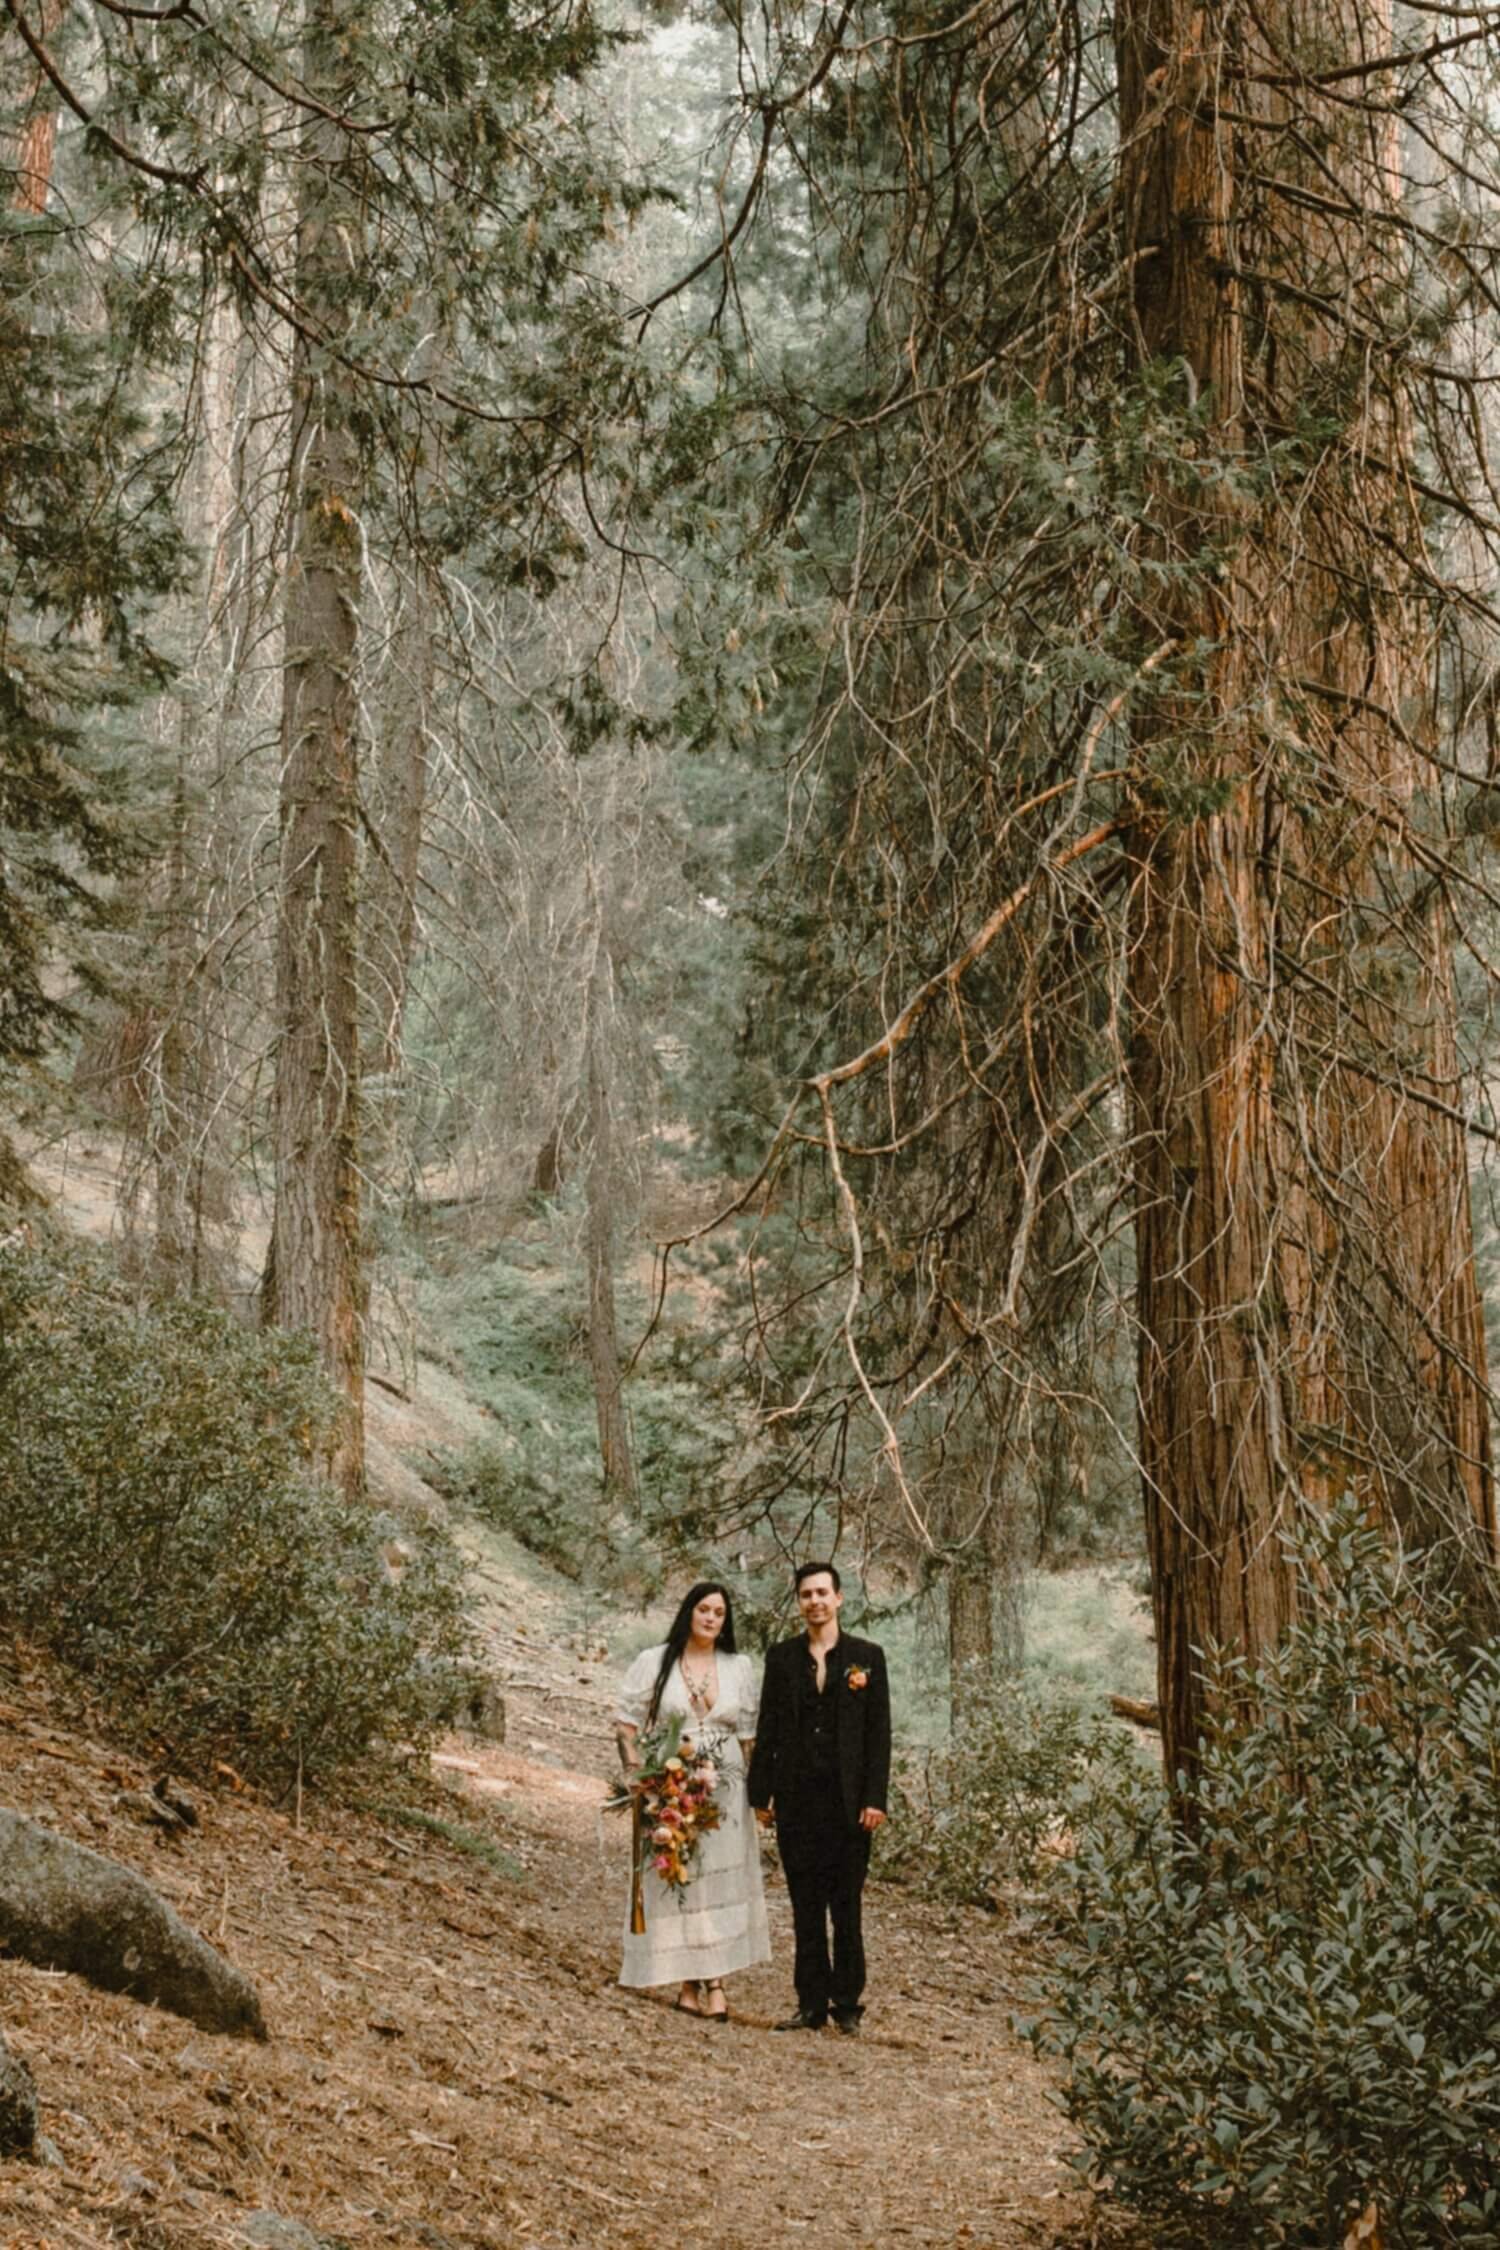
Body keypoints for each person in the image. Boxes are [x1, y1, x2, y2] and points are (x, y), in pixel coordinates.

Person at [612, 1581, 770, 2019]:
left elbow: (749, 1736)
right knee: (681, 1873)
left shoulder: (738, 1666)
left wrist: (754, 1792)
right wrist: (637, 1774)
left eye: (720, 1613)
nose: (711, 1618)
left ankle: (716, 1982)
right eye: (704, 1609)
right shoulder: (655, 1662)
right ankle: (686, 1981)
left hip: (727, 1783)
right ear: (689, 1611)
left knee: (719, 1879)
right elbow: (625, 1724)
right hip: (672, 1775)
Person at [747, 1562, 891, 2035]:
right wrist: (760, 1792)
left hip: (849, 1806)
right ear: (799, 1602)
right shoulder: (782, 1658)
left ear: (840, 1598)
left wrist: (875, 1799)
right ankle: (809, 2004)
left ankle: (846, 2004)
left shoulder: (867, 1657)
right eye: (806, 1594)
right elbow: (768, 1727)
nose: (815, 1601)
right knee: (805, 1905)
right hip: (797, 1801)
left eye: (822, 1593)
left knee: (846, 1906)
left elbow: (879, 1736)